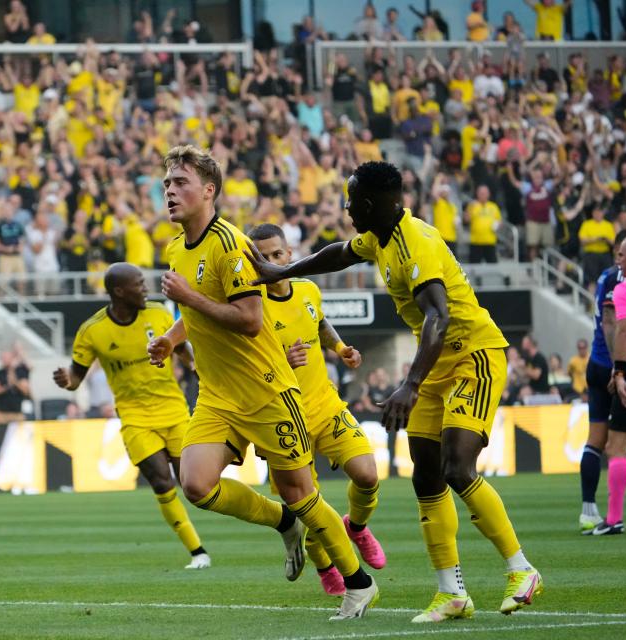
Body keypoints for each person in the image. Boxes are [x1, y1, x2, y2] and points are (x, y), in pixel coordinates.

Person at [247, 161, 540, 621]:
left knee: (457, 468)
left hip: (473, 356)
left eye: (350, 200)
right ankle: (452, 594)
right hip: (437, 364)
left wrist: (409, 383)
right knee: (426, 476)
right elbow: (337, 254)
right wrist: (274, 270)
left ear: (368, 203)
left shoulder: (415, 242)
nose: (345, 208)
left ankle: (521, 568)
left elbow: (438, 318)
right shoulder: (379, 236)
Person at [148, 146, 377, 620]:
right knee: (195, 485)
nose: (169, 190)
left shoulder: (231, 245)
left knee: (302, 492)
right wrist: (171, 339)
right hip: (217, 395)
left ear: (209, 191)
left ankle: (359, 583)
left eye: (180, 182)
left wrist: (188, 295)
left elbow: (250, 319)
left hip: (267, 390)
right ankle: (281, 521)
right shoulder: (176, 248)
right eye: (167, 183)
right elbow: (194, 310)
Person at [248, 223, 386, 596]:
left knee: (368, 475)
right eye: (263, 257)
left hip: (325, 405)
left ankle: (356, 527)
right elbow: (243, 370)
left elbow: (320, 322)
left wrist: (340, 349)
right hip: (282, 419)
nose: (272, 262)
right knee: (309, 508)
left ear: (289, 254)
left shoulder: (308, 289)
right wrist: (280, 362)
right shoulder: (250, 308)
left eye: (278, 254)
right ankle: (324, 563)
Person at [54, 262, 211, 570]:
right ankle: (198, 552)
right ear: (119, 292)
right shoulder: (93, 331)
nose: (145, 288)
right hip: (135, 418)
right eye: (139, 284)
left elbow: (183, 350)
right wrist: (66, 380)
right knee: (161, 481)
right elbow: (76, 377)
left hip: (174, 411)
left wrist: (199, 368)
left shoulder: (159, 314)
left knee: (196, 486)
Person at [598, 234, 626, 535]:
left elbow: (624, 332)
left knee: (617, 446)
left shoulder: (624, 290)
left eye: (622, 255)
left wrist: (619, 373)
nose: (618, 260)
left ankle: (613, 518)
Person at [0, 348, 31, 424]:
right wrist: (7, 386)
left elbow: (26, 391)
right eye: (2, 358)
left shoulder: (21, 372)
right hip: (0, 414)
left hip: (17, 413)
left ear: (12, 358)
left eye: (6, 358)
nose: (3, 360)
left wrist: (15, 382)